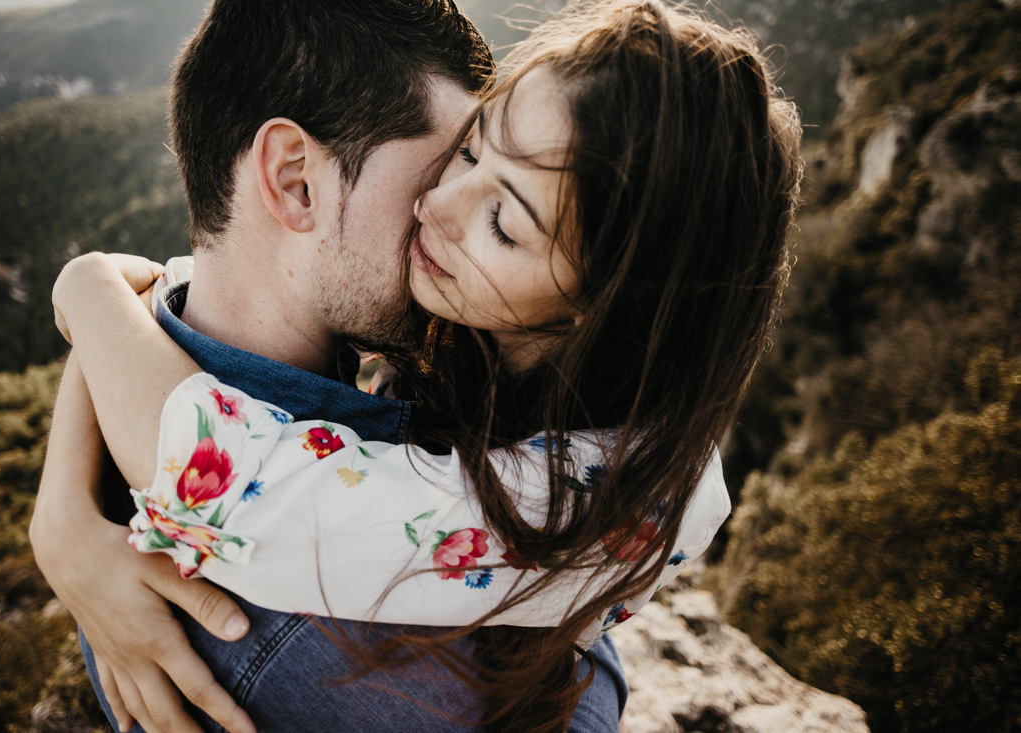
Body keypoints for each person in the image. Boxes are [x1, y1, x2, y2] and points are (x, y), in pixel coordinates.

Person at [44, 0, 803, 730]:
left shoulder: (560, 508)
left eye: (503, 222)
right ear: (292, 178)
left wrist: (87, 304)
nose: (436, 206)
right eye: (466, 154)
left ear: (598, 305)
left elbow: (228, 476)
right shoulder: (320, 624)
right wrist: (65, 509)